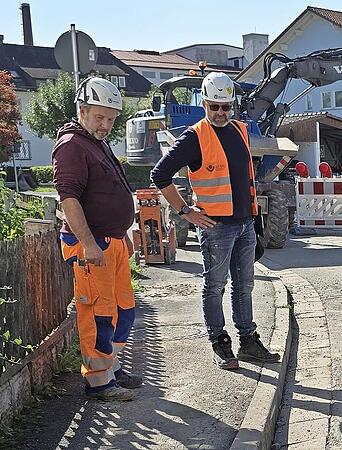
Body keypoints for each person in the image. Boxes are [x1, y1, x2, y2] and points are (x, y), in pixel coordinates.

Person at [151, 72, 279, 370]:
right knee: (215, 286)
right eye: (214, 107)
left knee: (245, 285)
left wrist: (255, 224)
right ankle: (219, 342)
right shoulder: (194, 136)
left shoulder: (240, 130)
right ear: (204, 105)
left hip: (245, 224)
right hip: (216, 228)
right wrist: (185, 211)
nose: (220, 113)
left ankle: (248, 341)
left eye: (226, 107)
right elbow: (159, 175)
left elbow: (245, 178)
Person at [53, 77, 142, 401]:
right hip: (92, 247)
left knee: (123, 310)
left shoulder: (95, 142)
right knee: (98, 314)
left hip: (111, 242)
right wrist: (90, 244)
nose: (106, 125)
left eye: (111, 118)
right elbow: (69, 199)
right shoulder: (72, 146)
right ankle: (98, 382)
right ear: (83, 110)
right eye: (100, 117)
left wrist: (123, 234)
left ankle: (111, 368)